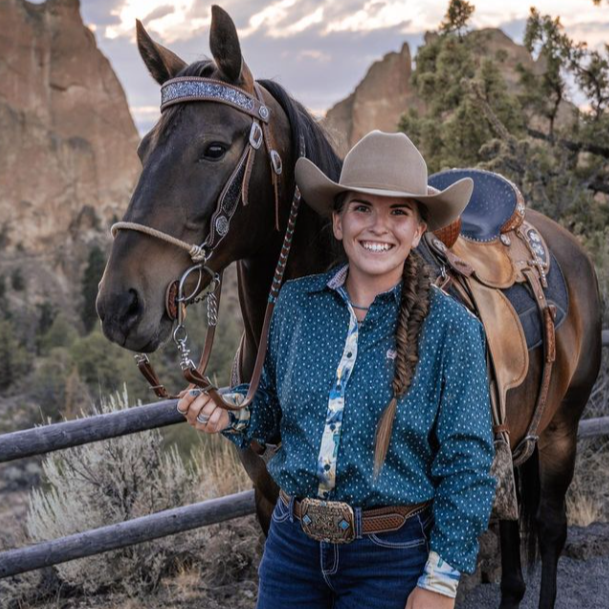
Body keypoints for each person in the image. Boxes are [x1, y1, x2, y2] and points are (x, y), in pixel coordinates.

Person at [177, 130, 496, 609]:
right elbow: (266, 413)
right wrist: (227, 414)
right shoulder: (294, 305)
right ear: (339, 221)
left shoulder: (452, 329)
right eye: (362, 208)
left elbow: (468, 464)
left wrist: (440, 580)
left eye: (399, 213)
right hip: (292, 548)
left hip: (391, 556)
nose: (378, 227)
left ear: (418, 231)